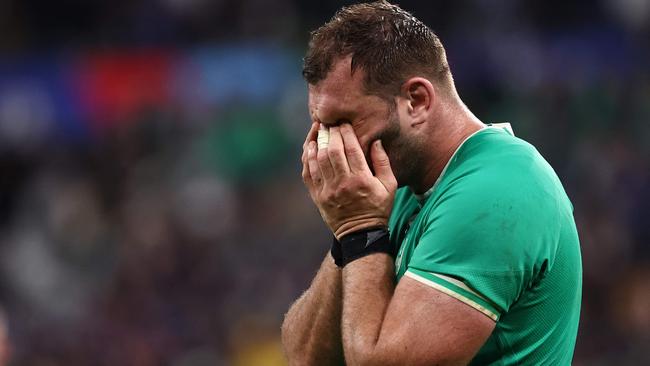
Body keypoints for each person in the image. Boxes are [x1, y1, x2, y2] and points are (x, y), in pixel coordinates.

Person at [281, 1, 582, 365]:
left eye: (344, 122)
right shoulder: (398, 189)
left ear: (417, 100)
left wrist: (360, 230)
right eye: (321, 124)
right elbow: (305, 357)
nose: (327, 147)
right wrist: (350, 231)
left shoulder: (496, 192)